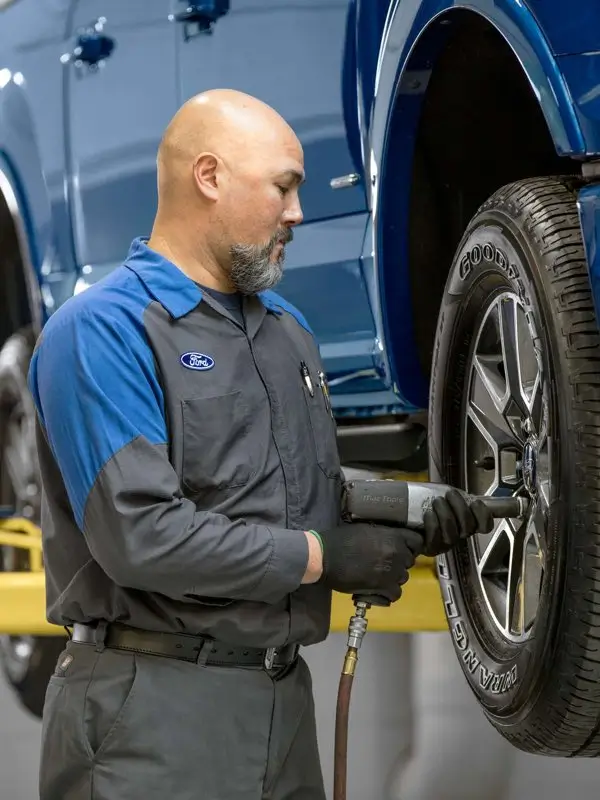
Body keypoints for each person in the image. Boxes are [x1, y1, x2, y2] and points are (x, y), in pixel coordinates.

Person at [28, 89, 493, 800]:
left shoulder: (286, 330)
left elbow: (297, 487)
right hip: (149, 710)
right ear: (209, 177)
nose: (298, 214)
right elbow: (143, 537)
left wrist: (413, 507)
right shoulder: (103, 332)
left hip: (280, 699)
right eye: (283, 187)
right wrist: (320, 557)